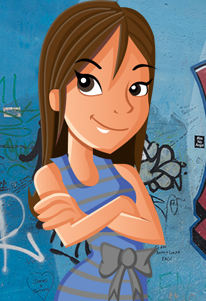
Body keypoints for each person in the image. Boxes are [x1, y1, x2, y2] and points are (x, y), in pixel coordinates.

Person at [29, 2, 164, 300]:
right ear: (55, 98)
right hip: (84, 289)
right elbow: (71, 234)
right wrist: (120, 207)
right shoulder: (50, 176)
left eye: (136, 88)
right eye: (89, 84)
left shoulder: (124, 172)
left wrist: (90, 214)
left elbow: (154, 234)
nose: (121, 108)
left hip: (131, 289)